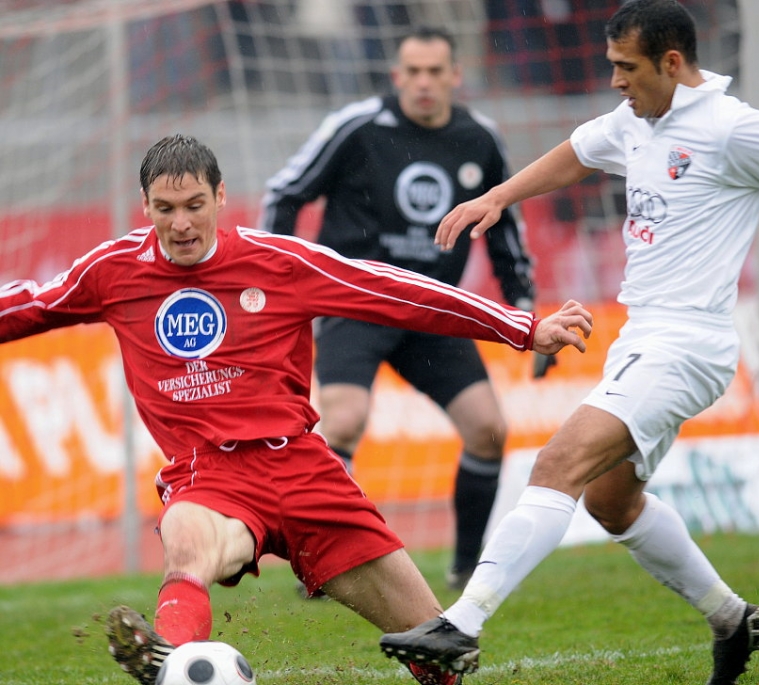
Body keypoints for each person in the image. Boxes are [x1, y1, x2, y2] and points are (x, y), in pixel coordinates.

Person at [0, 134, 592, 685]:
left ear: (222, 196)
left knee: (438, 649)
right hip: (211, 476)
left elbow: (394, 291)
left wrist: (523, 327)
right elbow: (32, 304)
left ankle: (181, 659)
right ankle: (174, 662)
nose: (181, 224)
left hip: (305, 470)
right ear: (145, 206)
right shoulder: (113, 270)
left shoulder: (278, 262)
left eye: (194, 205)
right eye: (164, 208)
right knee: (186, 540)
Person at [379, 2, 759, 684]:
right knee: (611, 500)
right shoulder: (635, 120)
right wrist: (498, 198)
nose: (614, 81)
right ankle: (731, 616)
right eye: (610, 66)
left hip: (690, 343)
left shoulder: (734, 128)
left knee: (558, 462)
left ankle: (463, 622)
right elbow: (578, 152)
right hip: (641, 337)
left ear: (671, 63)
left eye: (626, 68)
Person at [258, 26, 548, 591]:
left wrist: (525, 307)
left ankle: (467, 568)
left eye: (435, 72)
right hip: (354, 303)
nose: (423, 83)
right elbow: (284, 193)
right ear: (396, 77)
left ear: (454, 77)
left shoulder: (479, 138)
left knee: (488, 429)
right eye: (412, 72)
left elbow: (504, 228)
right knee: (342, 419)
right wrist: (278, 282)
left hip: (431, 312)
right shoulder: (358, 125)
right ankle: (323, 563)